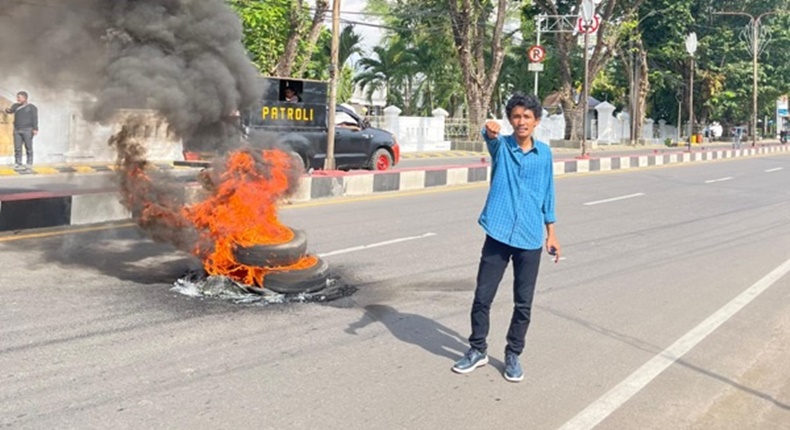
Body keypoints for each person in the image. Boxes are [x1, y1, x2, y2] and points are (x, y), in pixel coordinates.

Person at [452, 92, 561, 383]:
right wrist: (488, 130)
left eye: (527, 116)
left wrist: (552, 234)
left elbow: (548, 194)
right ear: (510, 119)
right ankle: (477, 349)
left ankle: (513, 354)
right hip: (498, 234)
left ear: (536, 121)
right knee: (482, 297)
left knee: (523, 302)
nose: (521, 121)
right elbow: (489, 136)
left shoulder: (545, 155)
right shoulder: (501, 147)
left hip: (529, 237)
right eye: (516, 116)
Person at [4, 91, 38, 169]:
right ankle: (18, 163)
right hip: (17, 130)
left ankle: (29, 163)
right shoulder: (15, 106)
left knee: (28, 147)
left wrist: (35, 128)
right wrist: (7, 110)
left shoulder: (32, 107)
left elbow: (35, 118)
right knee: (17, 147)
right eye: (17, 97)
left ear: (24, 98)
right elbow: (10, 111)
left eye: (19, 97)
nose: (17, 99)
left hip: (28, 130)